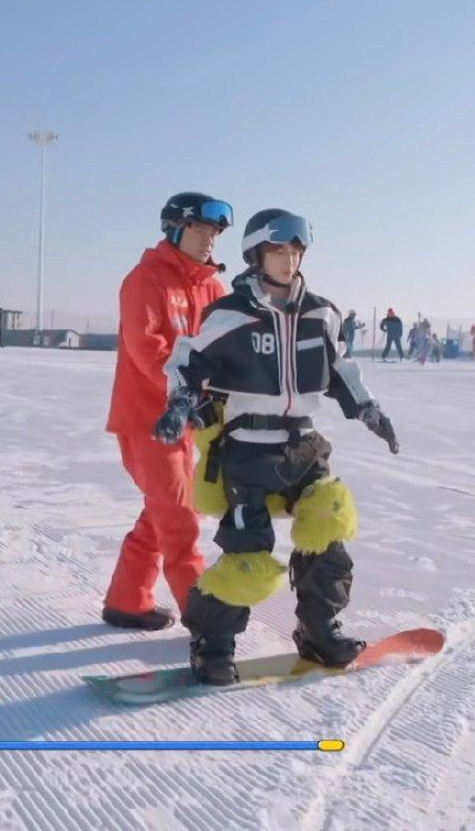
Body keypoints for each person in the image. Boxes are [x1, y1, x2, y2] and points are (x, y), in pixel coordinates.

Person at [154, 207, 398, 685]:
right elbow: (188, 359)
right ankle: (212, 645)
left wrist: (369, 410)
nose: (288, 261)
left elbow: (343, 368)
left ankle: (318, 629)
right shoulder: (231, 314)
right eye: (277, 252)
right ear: (255, 256)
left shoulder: (321, 313)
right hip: (248, 448)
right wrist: (179, 405)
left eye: (294, 251)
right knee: (248, 556)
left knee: (328, 531)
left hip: (305, 444)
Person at [103, 192, 233, 632]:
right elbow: (148, 349)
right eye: (201, 229)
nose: (209, 239)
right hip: (147, 420)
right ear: (176, 229)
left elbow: (227, 349)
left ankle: (127, 600)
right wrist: (190, 388)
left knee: (167, 509)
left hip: (191, 420)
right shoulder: (144, 280)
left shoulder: (214, 287)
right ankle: (205, 620)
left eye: (214, 231)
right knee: (177, 518)